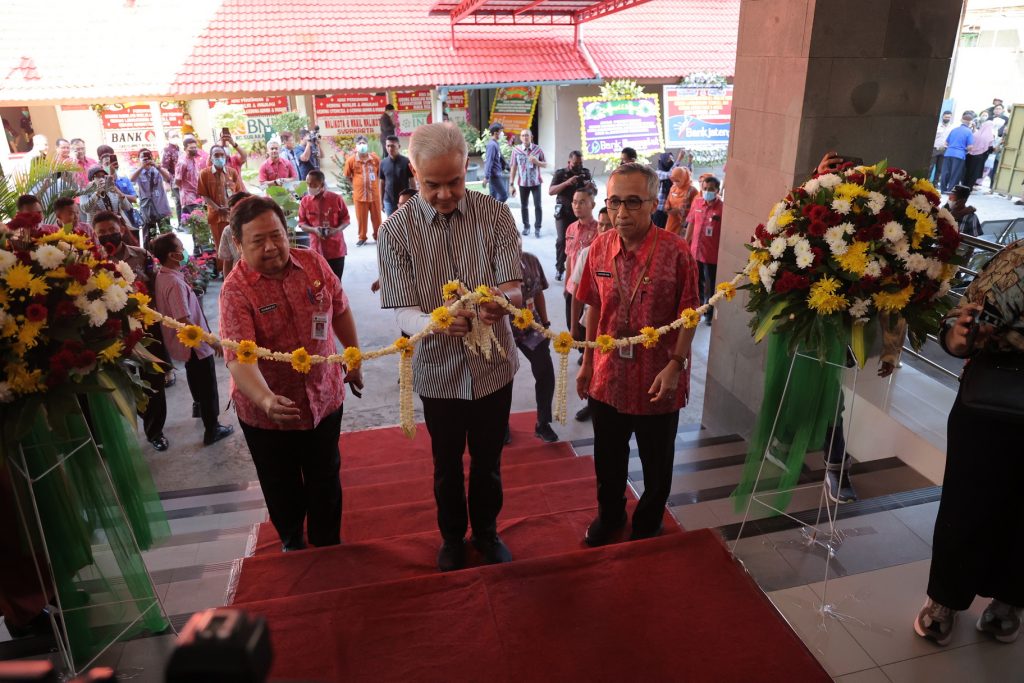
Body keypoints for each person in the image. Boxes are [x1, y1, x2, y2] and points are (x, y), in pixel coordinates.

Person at [377, 123, 523, 572]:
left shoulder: (494, 215)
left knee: (488, 463)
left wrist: (501, 303)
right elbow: (401, 310)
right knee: (445, 467)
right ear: (413, 174)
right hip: (438, 372)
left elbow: (513, 287)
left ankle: (486, 532)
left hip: (493, 366)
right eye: (432, 184)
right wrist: (435, 323)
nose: (444, 194)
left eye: (455, 182)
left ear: (467, 169)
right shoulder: (396, 232)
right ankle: (451, 538)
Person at [220, 196, 362, 552]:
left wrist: (352, 355)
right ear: (238, 244)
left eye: (277, 236)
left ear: (288, 232)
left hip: (324, 396)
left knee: (325, 473)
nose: (271, 248)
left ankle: (327, 541)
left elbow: (340, 310)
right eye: (258, 241)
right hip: (268, 412)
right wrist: (266, 399)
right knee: (280, 482)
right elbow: (240, 357)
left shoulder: (313, 262)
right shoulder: (235, 291)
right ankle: (291, 538)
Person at [574, 162, 700, 545]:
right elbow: (593, 305)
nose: (622, 213)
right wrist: (586, 362)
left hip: (656, 379)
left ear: (653, 202)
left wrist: (676, 365)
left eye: (633, 202)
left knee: (656, 463)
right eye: (614, 203)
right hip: (608, 376)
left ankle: (648, 522)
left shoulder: (676, 252)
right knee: (607, 459)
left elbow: (689, 314)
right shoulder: (599, 247)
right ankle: (610, 517)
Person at [914, 239, 1024, 647]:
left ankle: (1010, 600)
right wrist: (960, 338)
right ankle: (945, 599)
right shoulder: (1019, 257)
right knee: (968, 505)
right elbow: (961, 323)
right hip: (994, 402)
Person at [93, 211, 169, 451]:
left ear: (122, 229)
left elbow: (156, 287)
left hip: (146, 327)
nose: (108, 235)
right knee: (123, 381)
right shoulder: (91, 261)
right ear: (95, 236)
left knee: (153, 378)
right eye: (101, 232)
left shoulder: (141, 255)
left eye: (111, 229)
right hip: (112, 332)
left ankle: (155, 430)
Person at [151, 233, 234, 446]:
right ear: (173, 255)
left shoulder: (163, 276)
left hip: (184, 347)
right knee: (207, 385)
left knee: (194, 376)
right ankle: (212, 428)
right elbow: (184, 320)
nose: (184, 252)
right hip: (195, 346)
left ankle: (199, 407)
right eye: (180, 248)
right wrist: (210, 340)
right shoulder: (174, 283)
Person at [512, 251, 558, 444]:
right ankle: (500, 424)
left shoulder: (531, 260)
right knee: (501, 379)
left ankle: (543, 423)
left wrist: (545, 323)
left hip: (532, 327)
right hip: (499, 328)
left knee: (545, 370)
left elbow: (538, 293)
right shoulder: (485, 263)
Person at [197, 144, 244, 275]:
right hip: (215, 216)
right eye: (216, 155)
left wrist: (230, 208)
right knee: (220, 245)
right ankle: (224, 272)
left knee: (236, 242)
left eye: (222, 155)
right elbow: (204, 195)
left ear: (226, 157)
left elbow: (239, 192)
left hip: (232, 215)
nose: (219, 157)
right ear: (211, 158)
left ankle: (238, 269)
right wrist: (218, 208)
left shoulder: (232, 172)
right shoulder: (204, 174)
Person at [683, 175, 724, 325]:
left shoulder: (722, 208)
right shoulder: (697, 202)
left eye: (711, 189)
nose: (707, 192)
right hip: (695, 252)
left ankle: (709, 314)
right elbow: (691, 224)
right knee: (695, 283)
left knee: (711, 286)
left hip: (711, 256)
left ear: (717, 190)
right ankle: (697, 310)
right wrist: (685, 244)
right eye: (705, 189)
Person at [549, 150, 595, 281]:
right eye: (576, 163)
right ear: (569, 162)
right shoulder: (561, 173)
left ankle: (579, 267)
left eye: (580, 163)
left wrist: (590, 186)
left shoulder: (585, 173)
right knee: (562, 240)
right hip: (563, 212)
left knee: (582, 240)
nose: (578, 165)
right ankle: (559, 268)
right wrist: (567, 182)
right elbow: (551, 191)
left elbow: (592, 192)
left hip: (580, 212)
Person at [299, 169, 350, 281]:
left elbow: (346, 220)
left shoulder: (336, 199)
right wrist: (314, 230)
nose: (310, 187)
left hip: (336, 250)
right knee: (319, 284)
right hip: (315, 250)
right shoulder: (305, 201)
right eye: (308, 183)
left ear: (321, 184)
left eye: (313, 184)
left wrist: (336, 230)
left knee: (336, 282)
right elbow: (302, 223)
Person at [343, 135, 382, 246]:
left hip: (374, 194)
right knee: (361, 219)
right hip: (360, 196)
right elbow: (347, 176)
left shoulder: (375, 159)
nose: (362, 145)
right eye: (359, 143)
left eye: (363, 143)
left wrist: (376, 184)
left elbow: (380, 173)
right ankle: (362, 237)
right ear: (356, 146)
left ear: (367, 144)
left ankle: (378, 236)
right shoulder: (351, 160)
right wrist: (354, 185)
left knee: (377, 218)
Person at [131, 147, 172, 249]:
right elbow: (131, 179)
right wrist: (141, 167)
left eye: (148, 158)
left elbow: (168, 178)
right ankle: (149, 257)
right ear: (139, 159)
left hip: (161, 206)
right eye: (143, 158)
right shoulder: (137, 171)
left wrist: (157, 167)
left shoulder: (157, 170)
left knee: (167, 235)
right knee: (149, 237)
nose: (146, 160)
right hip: (147, 209)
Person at [508, 129, 547, 237]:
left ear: (531, 137)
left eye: (527, 135)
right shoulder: (516, 150)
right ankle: (526, 227)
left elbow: (545, 164)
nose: (525, 137)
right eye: (523, 135)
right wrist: (511, 184)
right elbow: (513, 167)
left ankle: (537, 228)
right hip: (523, 184)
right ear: (520, 138)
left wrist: (537, 162)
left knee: (538, 206)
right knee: (524, 206)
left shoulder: (537, 150)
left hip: (536, 183)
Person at [380, 135, 414, 217]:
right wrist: (381, 202)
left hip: (404, 201)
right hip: (388, 201)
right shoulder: (383, 163)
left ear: (398, 146)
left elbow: (412, 181)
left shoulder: (406, 161)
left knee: (406, 224)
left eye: (393, 146)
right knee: (391, 226)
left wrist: (414, 199)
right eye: (388, 146)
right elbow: (382, 183)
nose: (390, 148)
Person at [941, 112, 974, 192]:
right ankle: (950, 190)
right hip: (959, 155)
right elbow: (970, 147)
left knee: (945, 172)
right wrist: (965, 149)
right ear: (970, 122)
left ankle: (943, 189)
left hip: (948, 153)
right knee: (955, 174)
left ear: (962, 120)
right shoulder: (969, 132)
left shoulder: (954, 130)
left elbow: (946, 143)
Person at [664, 167, 698, 237]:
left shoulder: (692, 191)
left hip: (684, 224)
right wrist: (667, 207)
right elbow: (668, 200)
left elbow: (696, 208)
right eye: (673, 180)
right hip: (671, 220)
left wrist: (680, 211)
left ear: (684, 178)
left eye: (678, 181)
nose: (675, 183)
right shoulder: (673, 188)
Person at [175, 136, 205, 216]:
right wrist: (185, 190)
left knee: (195, 223)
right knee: (195, 221)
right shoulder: (182, 162)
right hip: (188, 198)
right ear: (185, 149)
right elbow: (177, 181)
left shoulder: (194, 160)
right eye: (191, 148)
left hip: (197, 195)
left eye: (195, 147)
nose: (194, 149)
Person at [964, 119, 996, 189]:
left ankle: (964, 185)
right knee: (974, 173)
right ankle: (969, 187)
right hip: (980, 157)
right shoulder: (990, 137)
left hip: (969, 155)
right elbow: (990, 149)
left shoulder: (975, 134)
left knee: (967, 171)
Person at [481, 122, 508, 203]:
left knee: (493, 198)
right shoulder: (492, 145)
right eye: (501, 131)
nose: (502, 133)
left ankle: (492, 214)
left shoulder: (495, 143)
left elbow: (499, 158)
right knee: (504, 195)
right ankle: (496, 211)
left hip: (496, 174)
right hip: (494, 175)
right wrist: (486, 177)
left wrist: (506, 166)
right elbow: (489, 161)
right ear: (496, 133)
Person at [930, 111, 954, 183]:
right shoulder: (937, 125)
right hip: (935, 149)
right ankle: (926, 182)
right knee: (930, 167)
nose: (947, 118)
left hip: (944, 150)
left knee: (940, 169)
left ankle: (935, 183)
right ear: (942, 116)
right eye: (946, 117)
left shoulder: (952, 128)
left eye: (949, 117)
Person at [162, 134, 182, 220]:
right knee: (181, 201)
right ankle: (183, 222)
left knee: (180, 202)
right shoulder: (167, 150)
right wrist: (167, 182)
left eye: (176, 136)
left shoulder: (179, 148)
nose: (175, 138)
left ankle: (183, 222)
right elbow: (164, 167)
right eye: (173, 136)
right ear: (168, 138)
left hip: (183, 179)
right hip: (174, 180)